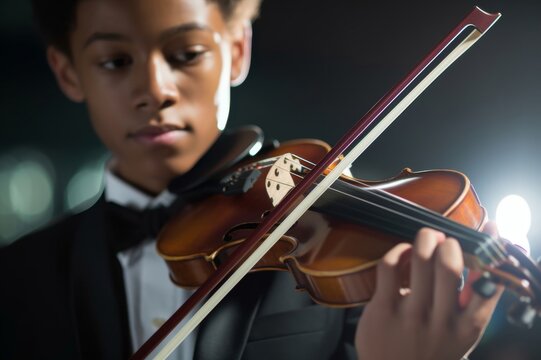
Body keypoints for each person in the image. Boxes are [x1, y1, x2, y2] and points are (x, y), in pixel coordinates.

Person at [0, 0, 502, 359]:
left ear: (237, 49)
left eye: (186, 53)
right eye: (115, 61)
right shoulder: (18, 280)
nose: (155, 90)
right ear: (67, 72)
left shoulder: (341, 268)